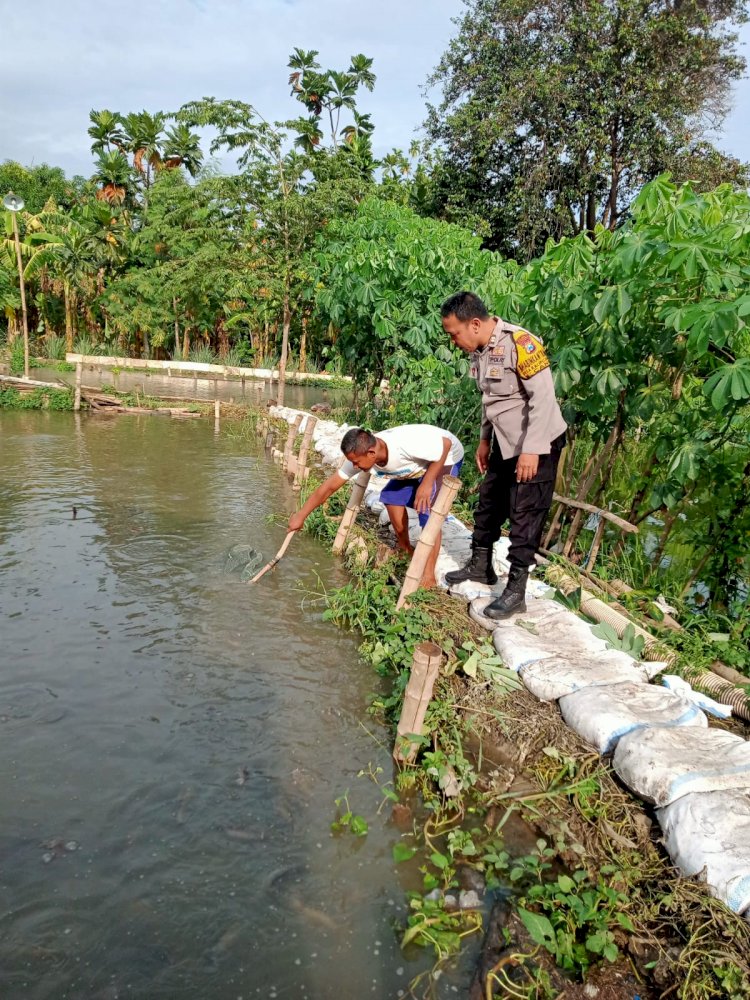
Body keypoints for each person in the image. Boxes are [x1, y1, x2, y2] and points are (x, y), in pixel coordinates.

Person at [440, 291, 567, 619]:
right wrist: (484, 440)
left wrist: (532, 450)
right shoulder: (481, 350)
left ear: (476, 323)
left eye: (454, 333)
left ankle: (516, 592)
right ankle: (480, 567)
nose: (453, 341)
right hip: (505, 442)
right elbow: (490, 399)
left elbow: (544, 399)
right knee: (489, 503)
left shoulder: (521, 344)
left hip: (538, 445)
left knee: (526, 514)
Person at [288, 424, 464, 589]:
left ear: (371, 452)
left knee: (428, 510)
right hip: (417, 465)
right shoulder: (363, 454)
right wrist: (301, 515)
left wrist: (426, 484)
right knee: (391, 497)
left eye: (356, 462)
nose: (354, 467)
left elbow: (445, 444)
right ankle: (404, 549)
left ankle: (428, 574)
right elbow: (329, 486)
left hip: (445, 457)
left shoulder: (404, 445)